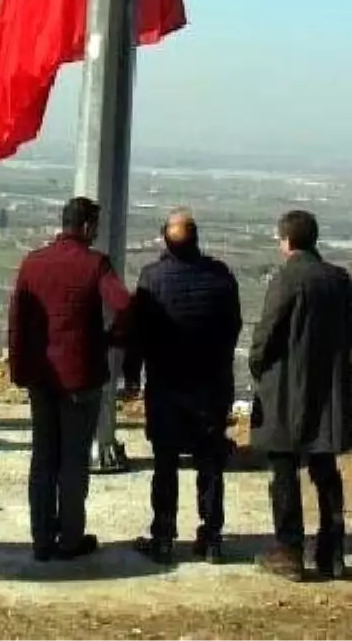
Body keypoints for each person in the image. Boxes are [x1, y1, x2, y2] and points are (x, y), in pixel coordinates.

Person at [8, 195, 131, 562]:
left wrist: (19, 369)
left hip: (41, 376)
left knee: (43, 458)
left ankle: (41, 538)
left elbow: (16, 322)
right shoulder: (95, 265)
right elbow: (125, 306)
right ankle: (70, 539)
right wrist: (111, 339)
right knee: (73, 461)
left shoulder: (33, 263)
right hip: (81, 377)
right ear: (88, 226)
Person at [249, 209, 352, 582]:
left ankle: (289, 552)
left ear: (286, 241)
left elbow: (264, 338)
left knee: (284, 470)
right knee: (325, 470)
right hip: (328, 393)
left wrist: (260, 368)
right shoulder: (339, 279)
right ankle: (333, 553)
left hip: (286, 394)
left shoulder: (286, 279)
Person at [124, 208, 243, 565]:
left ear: (165, 239)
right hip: (211, 385)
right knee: (210, 463)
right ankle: (212, 537)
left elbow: (138, 334)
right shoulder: (221, 277)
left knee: (165, 462)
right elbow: (232, 327)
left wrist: (131, 376)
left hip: (166, 386)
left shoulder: (152, 278)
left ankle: (163, 536)